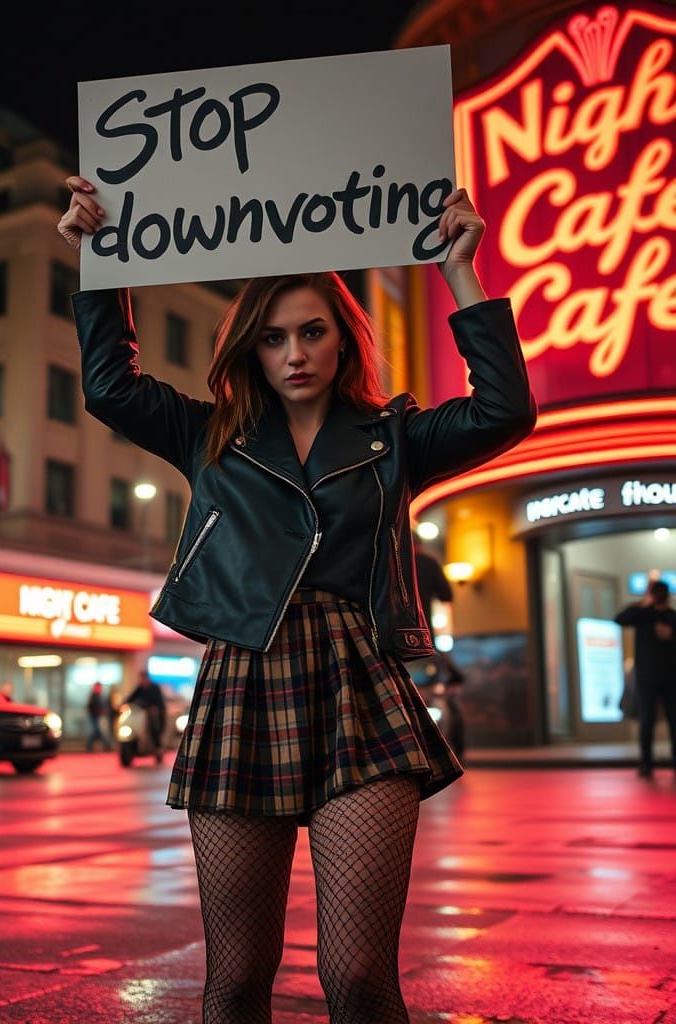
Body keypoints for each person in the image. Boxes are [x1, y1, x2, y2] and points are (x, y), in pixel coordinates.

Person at [59, 174, 536, 1024]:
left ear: (343, 339)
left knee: (358, 978)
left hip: (361, 688)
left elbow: (504, 410)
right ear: (252, 349)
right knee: (236, 982)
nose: (294, 354)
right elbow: (109, 389)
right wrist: (102, 262)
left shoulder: (396, 438)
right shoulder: (210, 436)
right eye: (273, 338)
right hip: (244, 684)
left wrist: (461, 269)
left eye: (313, 331)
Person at [614, 580, 676, 778]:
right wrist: (643, 603)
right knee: (647, 719)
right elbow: (620, 619)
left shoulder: (672, 616)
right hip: (646, 676)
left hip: (671, 676)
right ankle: (646, 763)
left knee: (674, 719)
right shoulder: (643, 614)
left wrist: (671, 635)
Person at [412, 536, 453, 646]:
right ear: (419, 545)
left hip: (391, 630)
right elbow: (446, 595)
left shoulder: (390, 563)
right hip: (422, 628)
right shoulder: (428, 563)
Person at [125, 670, 166, 750]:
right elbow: (131, 697)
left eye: (143, 678)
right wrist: (124, 703)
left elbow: (158, 701)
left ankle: (158, 745)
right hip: (142, 712)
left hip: (154, 711)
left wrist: (153, 707)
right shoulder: (140, 688)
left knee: (154, 726)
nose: (142, 680)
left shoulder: (154, 687)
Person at [86, 681, 112, 752]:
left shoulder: (101, 696)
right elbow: (90, 707)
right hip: (94, 717)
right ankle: (106, 745)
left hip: (100, 717)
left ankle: (106, 745)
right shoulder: (93, 696)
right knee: (96, 731)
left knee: (99, 732)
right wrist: (99, 712)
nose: (99, 688)